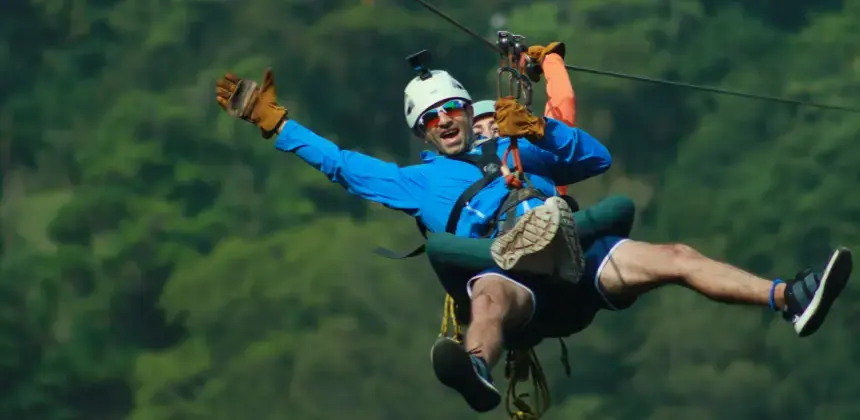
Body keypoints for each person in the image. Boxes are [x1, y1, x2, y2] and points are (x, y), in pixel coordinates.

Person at [215, 66, 853, 416]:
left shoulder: (519, 142)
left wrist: (542, 129)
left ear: (470, 111)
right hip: (512, 276)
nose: (445, 122)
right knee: (488, 296)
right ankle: (475, 369)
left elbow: (595, 157)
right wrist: (277, 124)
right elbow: (341, 163)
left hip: (575, 257)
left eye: (453, 110)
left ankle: (788, 298)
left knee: (677, 258)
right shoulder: (414, 182)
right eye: (431, 119)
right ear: (422, 132)